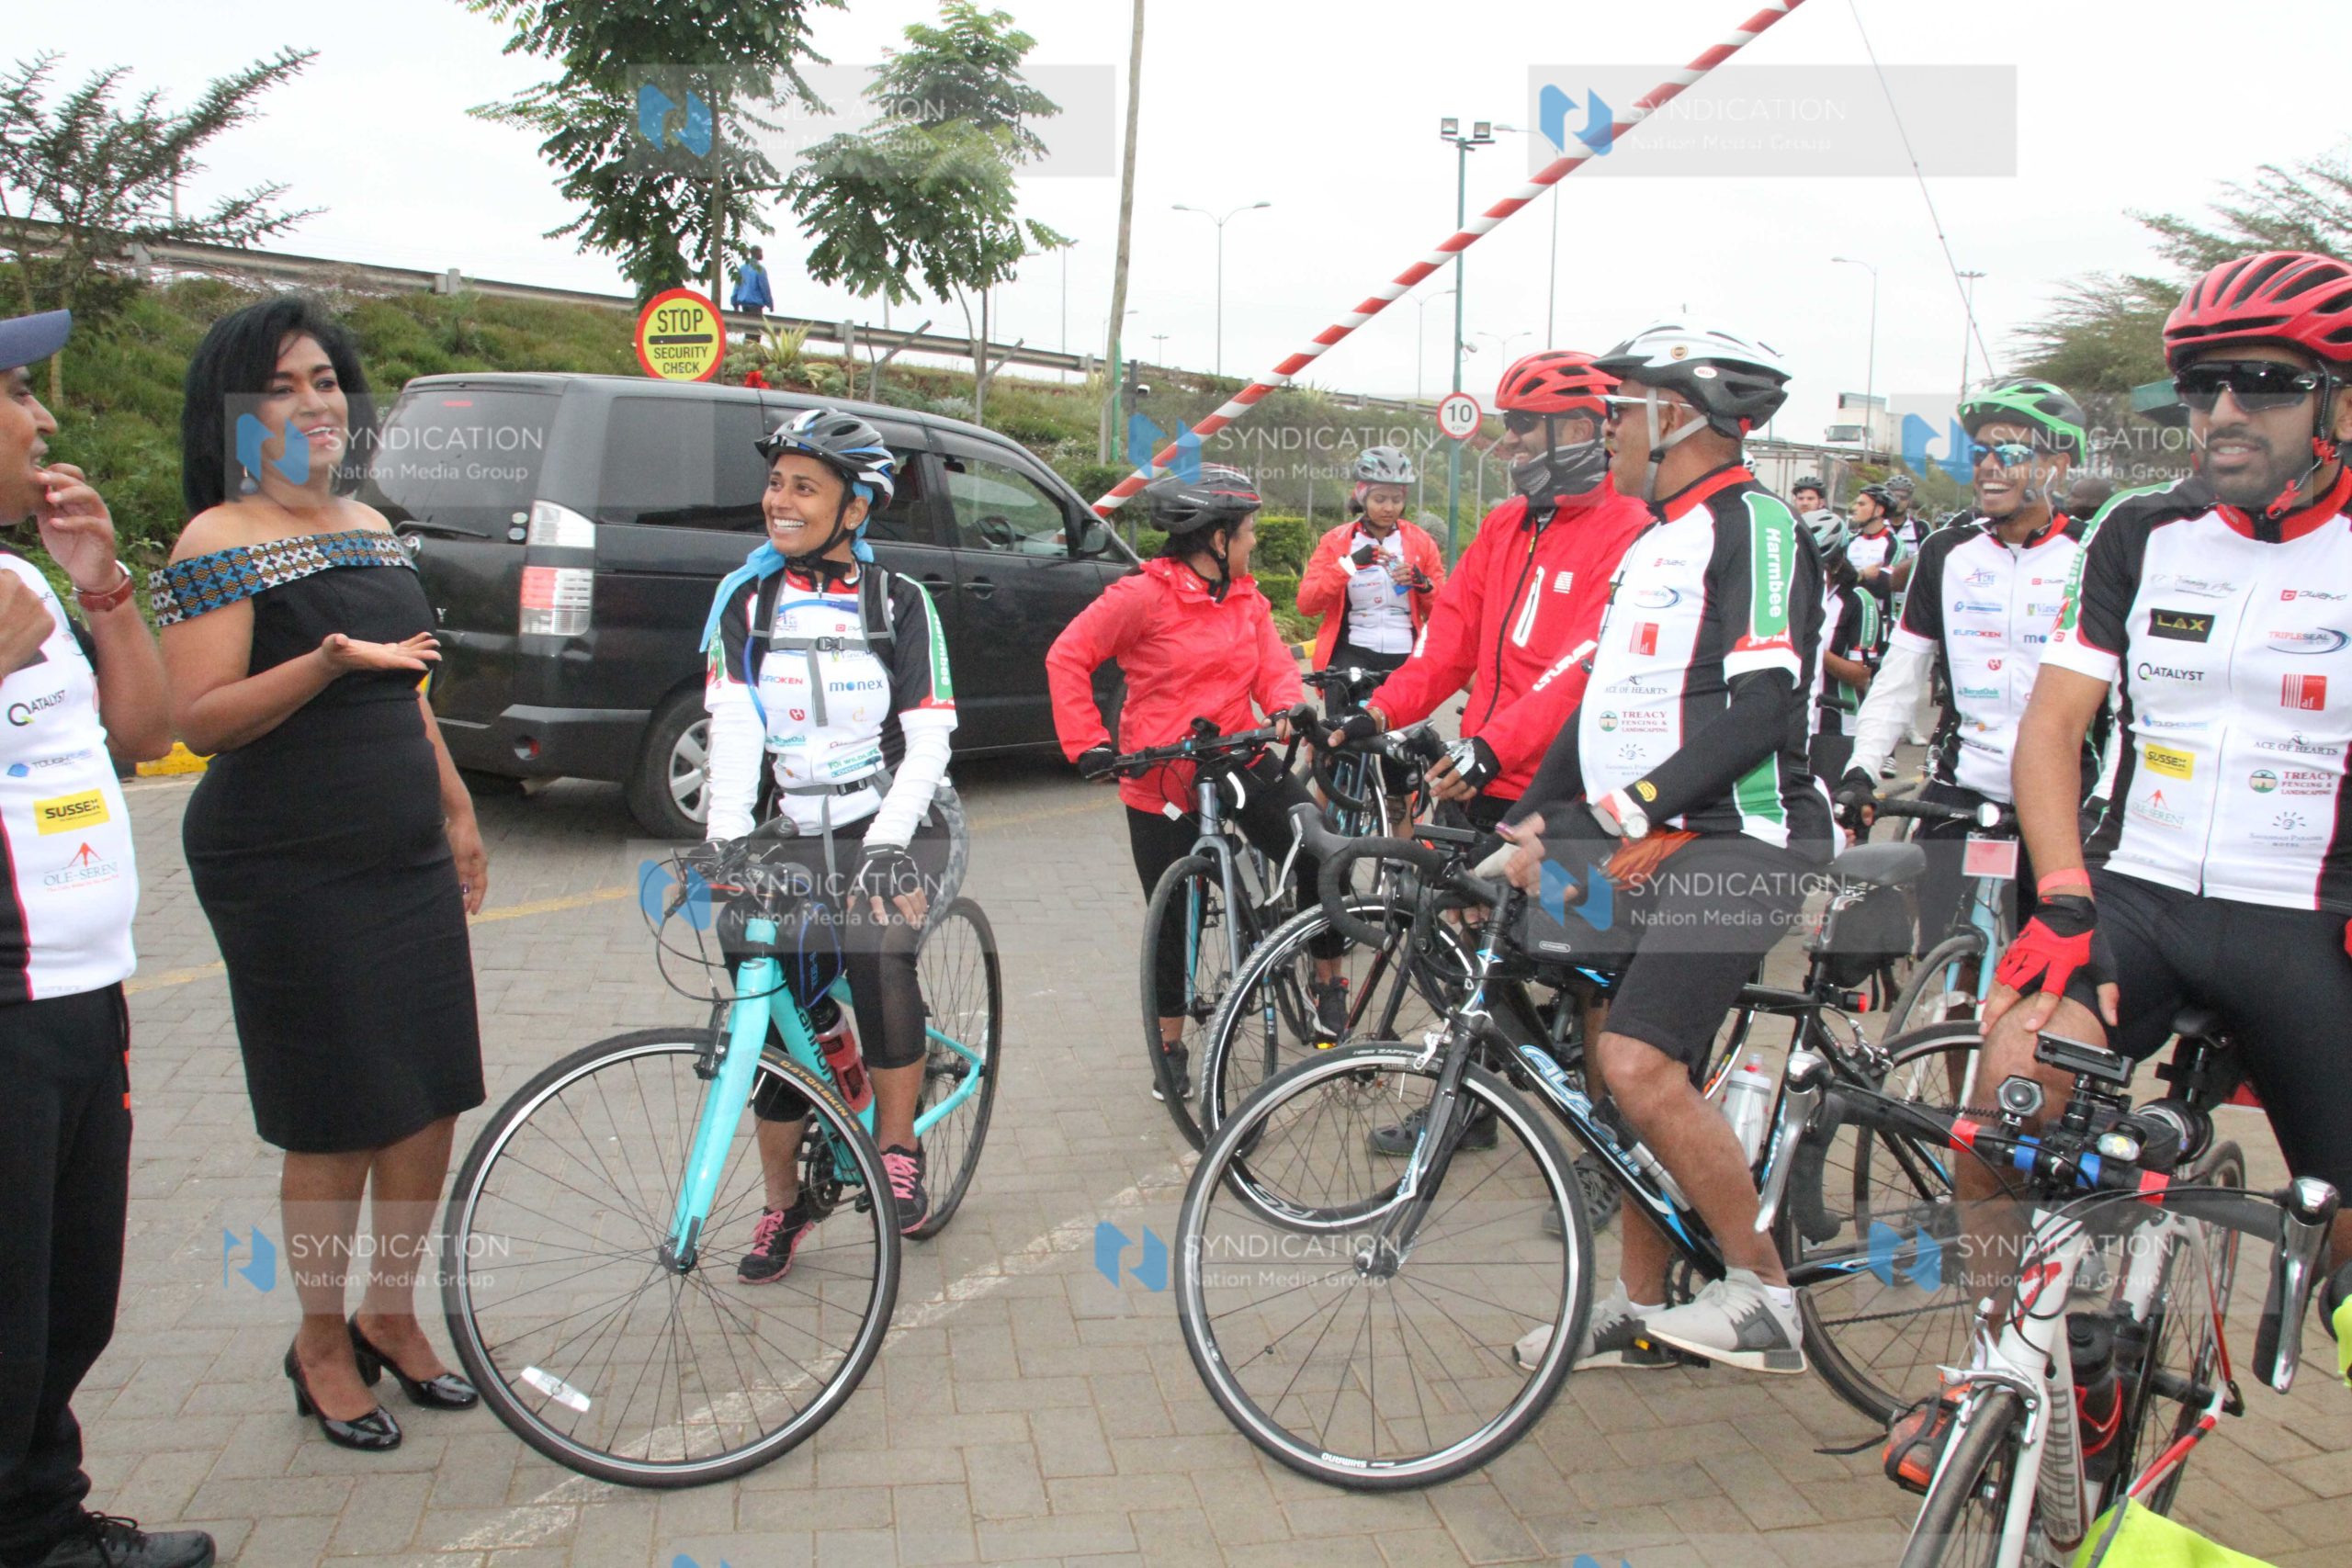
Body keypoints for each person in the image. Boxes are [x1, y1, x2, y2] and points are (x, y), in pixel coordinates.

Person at [1931, 252, 2352, 1471]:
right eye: (2201, 387)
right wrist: (2062, 894)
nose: (2222, 412)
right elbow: (2051, 728)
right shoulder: (2141, 529)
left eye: (2262, 385)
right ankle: (2005, 1366)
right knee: (1997, 1105)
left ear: (2336, 403)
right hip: (2140, 897)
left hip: (2307, 919)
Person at [155, 296, 486, 1456]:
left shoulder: (368, 522)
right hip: (285, 862)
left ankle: (389, 1310)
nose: (315, 402)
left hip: (397, 846)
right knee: (338, 1115)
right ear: (238, 413)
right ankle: (319, 1342)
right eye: (285, 386)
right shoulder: (217, 537)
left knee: (431, 1095)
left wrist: (452, 805)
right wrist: (323, 660)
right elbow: (198, 719)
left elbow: (413, 685)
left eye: (327, 380)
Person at [1499, 321, 1828, 1374]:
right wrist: (1521, 821)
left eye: (1617, 412)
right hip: (1650, 834)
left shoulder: (1757, 522)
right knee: (1616, 1075)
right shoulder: (1652, 538)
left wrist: (1631, 813)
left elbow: (1765, 707)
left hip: (1747, 835)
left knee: (1640, 1064)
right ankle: (1640, 1309)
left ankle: (1762, 1295)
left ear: (1677, 415)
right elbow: (1599, 703)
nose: (1604, 433)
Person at [0, 312, 201, 1568]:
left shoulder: (23, 581)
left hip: (85, 991)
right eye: (17, 391)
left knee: (69, 1291)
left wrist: (102, 586)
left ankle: (42, 1515)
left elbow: (143, 729)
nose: (44, 418)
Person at [698, 407, 958, 1270]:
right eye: (776, 482)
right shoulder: (747, 597)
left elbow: (929, 740)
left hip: (899, 817)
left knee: (875, 943)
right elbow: (733, 727)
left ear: (855, 508)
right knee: (760, 981)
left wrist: (885, 845)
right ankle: (785, 1203)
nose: (780, 499)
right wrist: (726, 839)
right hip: (796, 824)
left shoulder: (900, 602)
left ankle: (897, 1146)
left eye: (803, 486)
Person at [1045, 465, 1335, 1090]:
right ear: (1214, 538)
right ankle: (1171, 1047)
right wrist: (1088, 743)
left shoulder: (1245, 597)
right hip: (1161, 771)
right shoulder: (1141, 596)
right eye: (1248, 531)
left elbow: (1274, 668)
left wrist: (1285, 705)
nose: (1253, 540)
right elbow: (1068, 655)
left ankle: (1328, 972)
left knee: (1319, 842)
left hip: (1236, 752)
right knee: (1174, 909)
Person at [1329, 351, 1653, 831]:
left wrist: (1494, 748)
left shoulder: (1630, 527)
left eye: (1523, 422)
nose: (1509, 439)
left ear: (1578, 432)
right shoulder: (1506, 522)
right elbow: (1449, 640)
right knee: (1432, 902)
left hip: (1561, 794)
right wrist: (1381, 713)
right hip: (1477, 777)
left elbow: (1583, 668)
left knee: (1567, 909)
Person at [1835, 376, 2093, 967]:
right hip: (1961, 786)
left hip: (2063, 799)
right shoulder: (1946, 551)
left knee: (2048, 981)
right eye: (1979, 453)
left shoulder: (2092, 553)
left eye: (2012, 453)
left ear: (2057, 462)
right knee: (1949, 967)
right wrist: (1861, 767)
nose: (1989, 467)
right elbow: (1902, 670)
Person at [1295, 445, 1442, 679]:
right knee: (1345, 714)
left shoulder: (1421, 542)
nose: (1388, 508)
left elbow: (1444, 611)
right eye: (1379, 499)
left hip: (1405, 654)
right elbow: (1307, 604)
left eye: (1396, 499)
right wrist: (1348, 565)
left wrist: (1424, 585)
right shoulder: (1336, 541)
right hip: (1352, 653)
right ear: (1363, 497)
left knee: (1407, 715)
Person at [1804, 508, 1877, 794]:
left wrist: (1812, 648)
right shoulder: (1789, 593)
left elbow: (1861, 675)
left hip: (1836, 729)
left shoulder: (1858, 600)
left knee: (1835, 819)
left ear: (1836, 565)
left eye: (1818, 567)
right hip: (1794, 724)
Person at [730, 246, 774, 315]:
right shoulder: (760, 269)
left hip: (744, 304)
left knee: (745, 324)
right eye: (760, 252)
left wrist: (734, 302)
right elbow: (764, 288)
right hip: (755, 305)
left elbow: (737, 287)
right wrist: (770, 303)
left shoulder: (742, 268)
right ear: (756, 253)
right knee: (756, 325)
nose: (762, 255)